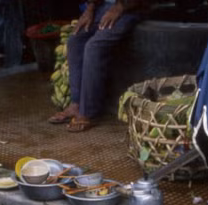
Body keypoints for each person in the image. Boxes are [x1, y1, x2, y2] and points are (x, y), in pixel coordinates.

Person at [47, 1, 145, 132]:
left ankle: (88, 112)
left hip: (130, 8)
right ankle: (76, 104)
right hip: (104, 7)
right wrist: (90, 9)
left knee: (94, 47)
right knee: (75, 41)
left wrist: (119, 7)